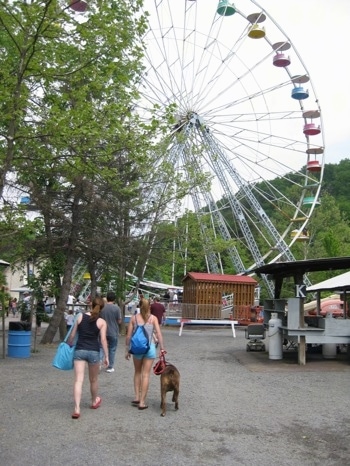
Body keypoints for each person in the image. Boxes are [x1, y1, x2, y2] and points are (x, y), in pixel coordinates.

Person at [68, 296, 109, 419]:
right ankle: (94, 401)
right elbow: (102, 340)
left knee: (78, 380)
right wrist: (107, 356)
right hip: (93, 352)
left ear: (91, 304)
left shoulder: (80, 316)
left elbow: (73, 334)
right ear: (102, 308)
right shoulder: (102, 322)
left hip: (80, 350)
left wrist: (69, 345)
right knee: (93, 380)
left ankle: (77, 408)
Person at [125, 297, 165, 410]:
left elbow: (128, 336)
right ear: (149, 307)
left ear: (139, 306)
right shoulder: (153, 319)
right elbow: (159, 334)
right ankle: (142, 402)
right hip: (150, 347)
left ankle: (137, 396)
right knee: (146, 374)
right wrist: (162, 349)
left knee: (137, 372)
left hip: (137, 348)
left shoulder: (134, 319)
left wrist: (127, 349)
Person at [100, 291, 122, 373]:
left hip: (103, 331)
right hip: (113, 331)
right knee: (112, 349)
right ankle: (110, 366)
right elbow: (119, 321)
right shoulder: (117, 308)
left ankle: (99, 363)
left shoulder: (102, 308)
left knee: (101, 347)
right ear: (114, 299)